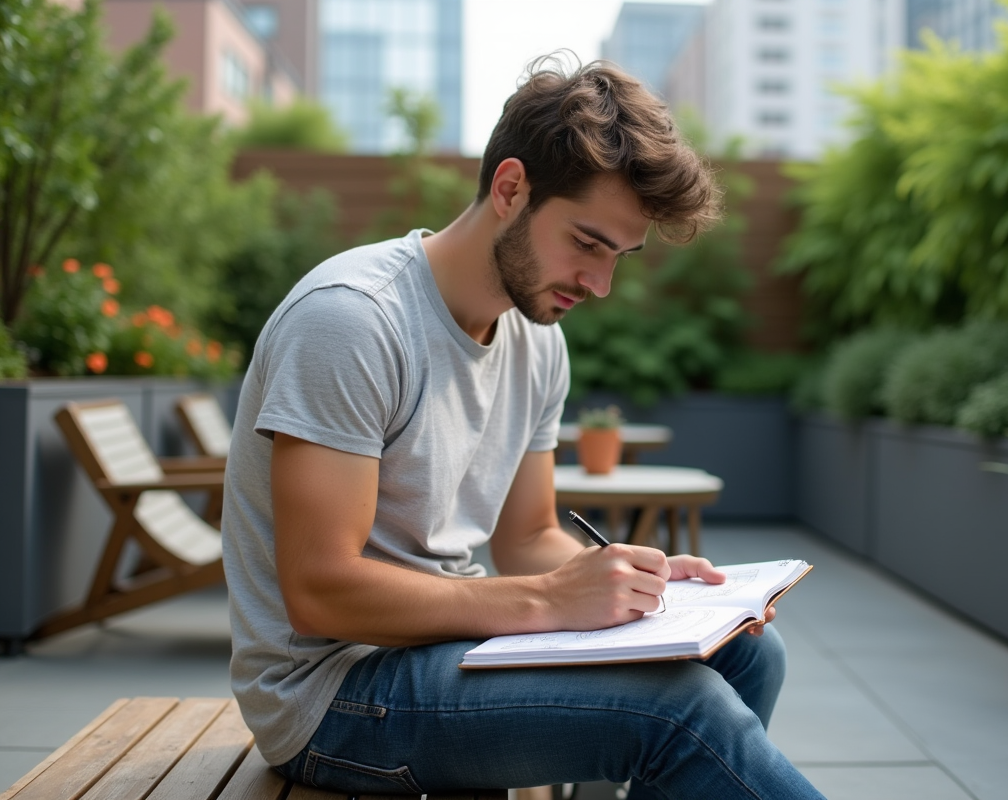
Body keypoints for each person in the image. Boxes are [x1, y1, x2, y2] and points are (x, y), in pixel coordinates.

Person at [222, 55, 827, 800]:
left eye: (620, 258)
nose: (600, 284)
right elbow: (322, 592)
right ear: (511, 188)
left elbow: (528, 537)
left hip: (449, 649)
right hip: (330, 692)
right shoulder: (353, 321)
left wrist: (640, 589)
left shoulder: (537, 340)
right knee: (680, 715)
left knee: (749, 660)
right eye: (587, 243)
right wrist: (548, 602)